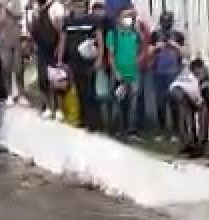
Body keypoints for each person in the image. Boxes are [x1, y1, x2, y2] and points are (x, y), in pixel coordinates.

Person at [57, 0, 104, 131]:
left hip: (88, 62)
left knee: (89, 92)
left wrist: (99, 58)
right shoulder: (67, 21)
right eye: (76, 5)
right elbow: (62, 41)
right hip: (72, 62)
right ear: (72, 6)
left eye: (81, 6)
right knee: (76, 91)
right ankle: (80, 120)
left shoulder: (92, 20)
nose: (79, 8)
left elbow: (99, 40)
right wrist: (60, 60)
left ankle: (93, 123)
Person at [146, 11, 184, 141]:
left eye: (168, 21)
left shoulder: (178, 35)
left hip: (173, 72)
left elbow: (184, 52)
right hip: (158, 72)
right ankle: (161, 131)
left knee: (174, 102)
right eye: (164, 21)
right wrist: (157, 46)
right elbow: (149, 51)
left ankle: (176, 132)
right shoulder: (155, 34)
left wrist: (175, 45)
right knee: (160, 103)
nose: (166, 23)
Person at [105, 6, 143, 137]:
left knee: (133, 103)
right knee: (117, 102)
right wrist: (115, 72)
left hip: (133, 74)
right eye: (126, 16)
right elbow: (110, 55)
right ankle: (116, 130)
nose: (129, 19)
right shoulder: (113, 34)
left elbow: (140, 48)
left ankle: (131, 130)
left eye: (131, 17)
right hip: (118, 74)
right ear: (118, 19)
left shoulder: (134, 34)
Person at [31, 0, 64, 118]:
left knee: (57, 78)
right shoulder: (37, 9)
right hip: (41, 49)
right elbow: (34, 30)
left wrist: (59, 48)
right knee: (43, 78)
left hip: (53, 49)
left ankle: (59, 109)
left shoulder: (56, 6)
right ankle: (48, 107)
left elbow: (61, 32)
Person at [169, 62, 203, 155]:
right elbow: (196, 98)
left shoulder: (186, 72)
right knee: (187, 117)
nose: (201, 71)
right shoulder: (194, 80)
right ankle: (190, 143)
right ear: (196, 69)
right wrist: (198, 105)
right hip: (180, 93)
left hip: (173, 90)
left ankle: (186, 142)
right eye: (200, 69)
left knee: (183, 117)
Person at [0, 0, 26, 105]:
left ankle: (21, 94)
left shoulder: (15, 2)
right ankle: (9, 94)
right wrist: (3, 7)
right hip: (4, 41)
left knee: (19, 68)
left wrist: (7, 7)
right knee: (6, 67)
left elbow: (19, 15)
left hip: (16, 39)